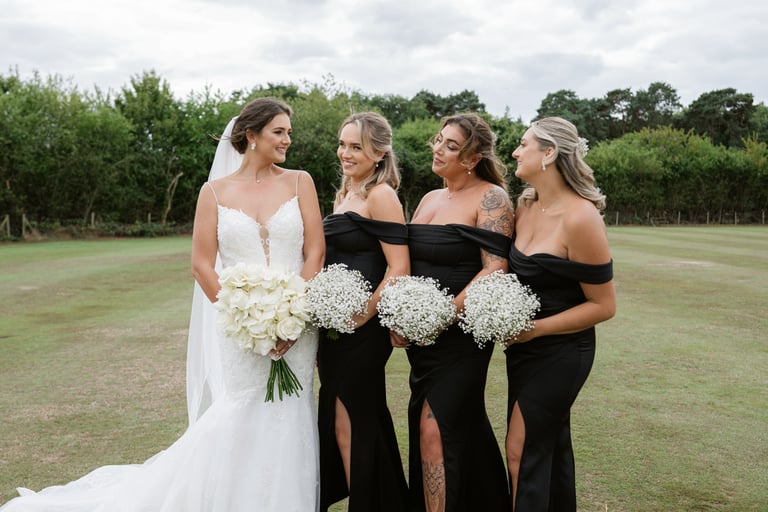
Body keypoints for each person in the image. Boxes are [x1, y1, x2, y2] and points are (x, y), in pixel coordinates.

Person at [0, 97, 326, 512]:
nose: (288, 140)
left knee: (291, 413)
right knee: (241, 413)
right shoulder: (214, 192)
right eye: (279, 132)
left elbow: (314, 253)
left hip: (297, 326)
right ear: (252, 135)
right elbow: (201, 265)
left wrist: (290, 319)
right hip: (242, 326)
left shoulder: (301, 182)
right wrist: (245, 319)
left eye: (288, 132)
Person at [398, 113, 513, 512]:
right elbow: (407, 264)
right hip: (421, 340)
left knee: (436, 429)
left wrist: (442, 313)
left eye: (450, 145)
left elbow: (495, 267)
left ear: (472, 157)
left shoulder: (491, 198)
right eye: (438, 139)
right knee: (453, 426)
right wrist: (400, 315)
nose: (437, 148)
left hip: (462, 336)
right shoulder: (430, 199)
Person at [504, 116, 616, 511]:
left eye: (523, 144)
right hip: (522, 349)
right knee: (549, 450)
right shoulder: (525, 205)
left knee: (520, 450)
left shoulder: (581, 217)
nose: (516, 152)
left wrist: (535, 330)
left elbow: (604, 306)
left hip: (563, 352)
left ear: (549, 153)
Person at [317, 112, 410, 511]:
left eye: (356, 147)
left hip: (364, 330)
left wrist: (366, 313)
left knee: (350, 419)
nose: (345, 153)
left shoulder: (381, 195)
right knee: (344, 418)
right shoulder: (344, 195)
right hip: (334, 327)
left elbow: (399, 266)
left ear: (379, 152)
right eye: (342, 144)